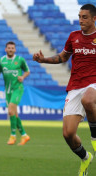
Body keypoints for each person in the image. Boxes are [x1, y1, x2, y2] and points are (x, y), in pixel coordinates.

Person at [33, 4, 96, 176]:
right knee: (68, 134)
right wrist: (43, 59)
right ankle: (85, 157)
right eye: (79, 16)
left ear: (94, 19)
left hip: (94, 83)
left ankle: (95, 137)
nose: (81, 20)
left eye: (84, 17)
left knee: (89, 99)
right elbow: (62, 57)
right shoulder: (73, 36)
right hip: (75, 86)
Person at [0, 41, 30, 145]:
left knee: (11, 110)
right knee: (14, 114)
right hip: (7, 90)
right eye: (9, 48)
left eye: (12, 48)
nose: (11, 49)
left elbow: (27, 71)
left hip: (18, 88)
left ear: (15, 50)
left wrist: (23, 77)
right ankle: (24, 135)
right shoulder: (1, 60)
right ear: (5, 49)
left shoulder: (20, 60)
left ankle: (13, 136)